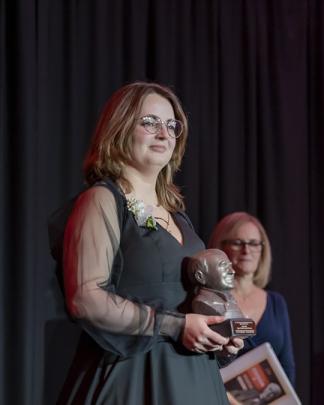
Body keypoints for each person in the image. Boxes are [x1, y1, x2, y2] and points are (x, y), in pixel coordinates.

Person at [50, 82, 243, 404]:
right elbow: (86, 298)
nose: (164, 134)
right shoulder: (101, 200)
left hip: (195, 379)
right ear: (120, 129)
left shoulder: (177, 215)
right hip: (135, 379)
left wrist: (218, 335)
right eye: (149, 122)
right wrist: (177, 326)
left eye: (172, 125)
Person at [209, 212, 296, 385]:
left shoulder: (276, 303)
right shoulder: (211, 299)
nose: (246, 250)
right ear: (221, 247)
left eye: (254, 243)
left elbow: (287, 366)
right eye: (237, 243)